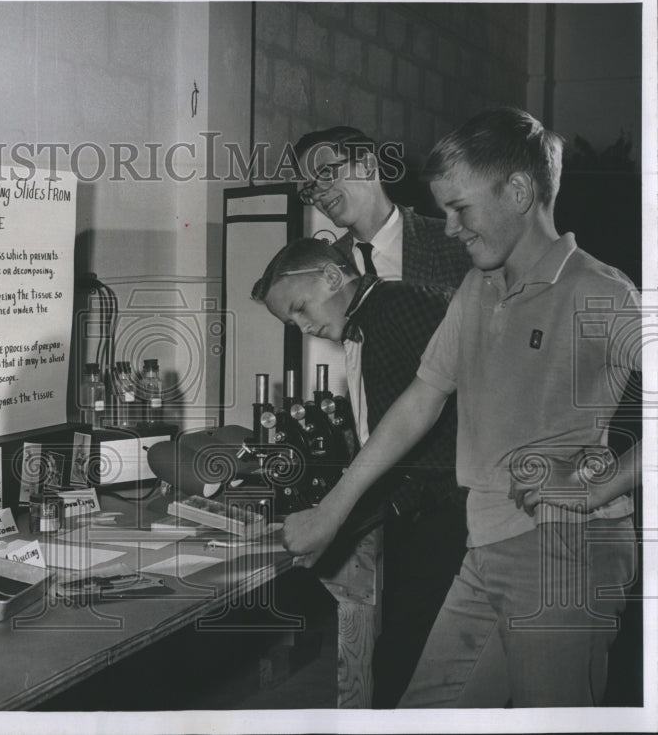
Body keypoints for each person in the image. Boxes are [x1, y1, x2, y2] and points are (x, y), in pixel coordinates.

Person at [283, 108, 641, 707]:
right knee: (425, 711)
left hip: (565, 554)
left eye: (461, 209)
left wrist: (599, 483)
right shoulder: (479, 287)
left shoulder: (599, 290)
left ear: (521, 192)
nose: (448, 228)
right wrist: (332, 510)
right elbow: (421, 399)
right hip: (485, 545)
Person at [252, 238, 467, 707]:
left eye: (301, 308)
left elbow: (425, 431)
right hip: (430, 511)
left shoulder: (400, 306)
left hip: (455, 515)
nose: (305, 326)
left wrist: (334, 516)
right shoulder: (374, 321)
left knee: (405, 672)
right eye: (293, 322)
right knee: (400, 662)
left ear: (332, 276)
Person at [295, 126, 471, 289]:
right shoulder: (327, 266)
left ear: (368, 165)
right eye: (310, 189)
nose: (318, 195)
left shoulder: (456, 243)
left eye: (326, 173)